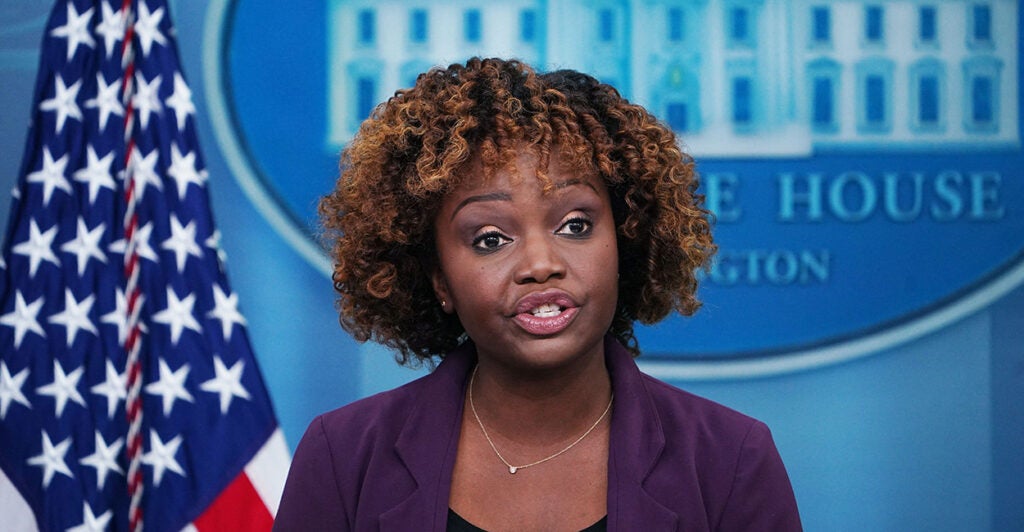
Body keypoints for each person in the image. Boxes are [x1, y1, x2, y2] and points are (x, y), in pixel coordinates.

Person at [274, 57, 801, 531]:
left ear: (627, 237)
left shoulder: (731, 460)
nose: (541, 264)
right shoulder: (344, 460)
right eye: (490, 239)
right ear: (438, 279)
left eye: (575, 225)